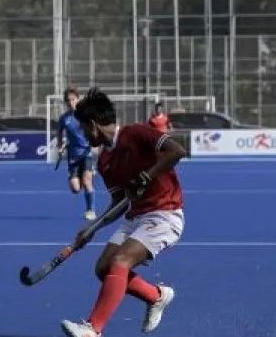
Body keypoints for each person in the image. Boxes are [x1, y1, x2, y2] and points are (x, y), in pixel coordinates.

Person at [60, 88, 187, 337]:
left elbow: (177, 152)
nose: (84, 134)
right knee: (103, 269)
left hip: (165, 213)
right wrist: (92, 228)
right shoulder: (105, 160)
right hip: (136, 217)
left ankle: (93, 329)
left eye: (85, 128)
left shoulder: (136, 133)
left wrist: (148, 175)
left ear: (94, 125)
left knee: (121, 261)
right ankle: (157, 296)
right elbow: (119, 203)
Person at [56, 86, 97, 220]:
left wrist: (93, 141)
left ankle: (90, 210)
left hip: (86, 153)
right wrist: (60, 146)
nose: (70, 102)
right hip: (73, 156)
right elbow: (59, 132)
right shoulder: (64, 118)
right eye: (68, 100)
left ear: (78, 99)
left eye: (73, 99)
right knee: (75, 188)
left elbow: (95, 131)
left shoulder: (86, 115)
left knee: (87, 182)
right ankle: (82, 178)